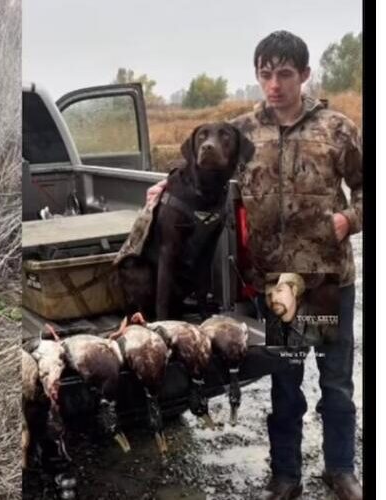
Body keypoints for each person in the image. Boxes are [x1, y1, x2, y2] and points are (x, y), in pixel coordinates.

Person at [146, 31, 362, 499]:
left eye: (284, 74)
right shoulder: (241, 131)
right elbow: (198, 165)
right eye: (265, 74)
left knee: (337, 383)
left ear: (304, 75)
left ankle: (341, 470)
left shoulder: (338, 129)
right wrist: (164, 190)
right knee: (285, 384)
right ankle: (286, 476)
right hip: (280, 286)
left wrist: (350, 217)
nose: (274, 85)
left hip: (326, 279)